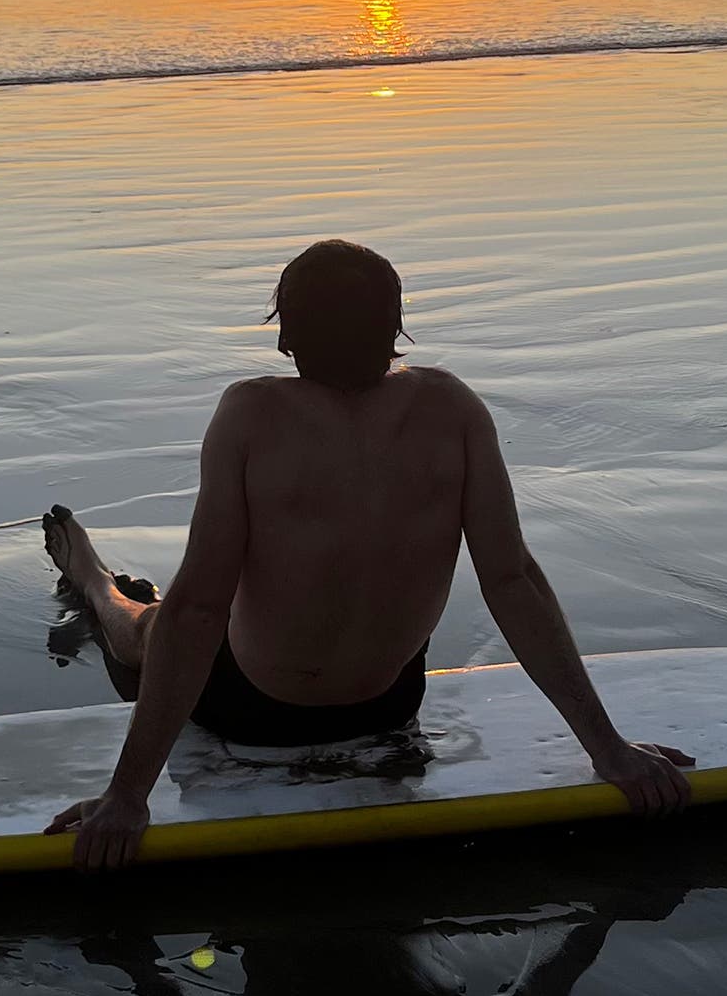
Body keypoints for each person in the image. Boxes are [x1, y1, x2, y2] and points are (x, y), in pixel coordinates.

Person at [42, 238, 694, 870]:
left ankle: (97, 583)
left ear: (286, 337)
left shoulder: (249, 414)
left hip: (253, 712)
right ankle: (103, 582)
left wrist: (127, 796)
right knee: (180, 617)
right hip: (388, 703)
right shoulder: (454, 407)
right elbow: (512, 578)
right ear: (395, 331)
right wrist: (609, 751)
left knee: (152, 630)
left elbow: (200, 609)